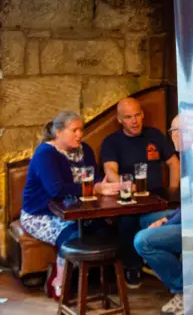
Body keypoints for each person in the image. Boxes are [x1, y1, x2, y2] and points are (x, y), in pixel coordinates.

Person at [20, 111, 120, 300]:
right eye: (74, 130)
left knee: (105, 231)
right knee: (73, 236)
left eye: (81, 129)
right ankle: (57, 282)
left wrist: (104, 185)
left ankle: (94, 283)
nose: (79, 134)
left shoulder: (85, 150)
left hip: (77, 212)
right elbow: (56, 190)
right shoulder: (45, 154)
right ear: (58, 132)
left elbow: (95, 178)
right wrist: (96, 188)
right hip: (41, 214)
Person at [101, 97, 179, 288]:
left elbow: (173, 164)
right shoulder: (112, 142)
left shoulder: (155, 135)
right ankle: (132, 266)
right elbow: (110, 170)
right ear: (120, 119)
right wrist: (124, 185)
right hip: (130, 199)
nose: (134, 121)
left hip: (156, 197)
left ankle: (166, 267)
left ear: (143, 115)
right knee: (128, 220)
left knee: (167, 219)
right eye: (128, 117)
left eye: (137, 115)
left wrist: (173, 191)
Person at [134, 114, 193, 315]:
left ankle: (184, 291)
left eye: (173, 131)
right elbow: (189, 203)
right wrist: (168, 219)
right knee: (145, 218)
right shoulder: (189, 155)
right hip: (190, 214)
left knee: (142, 241)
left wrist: (167, 222)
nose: (173, 136)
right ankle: (184, 278)